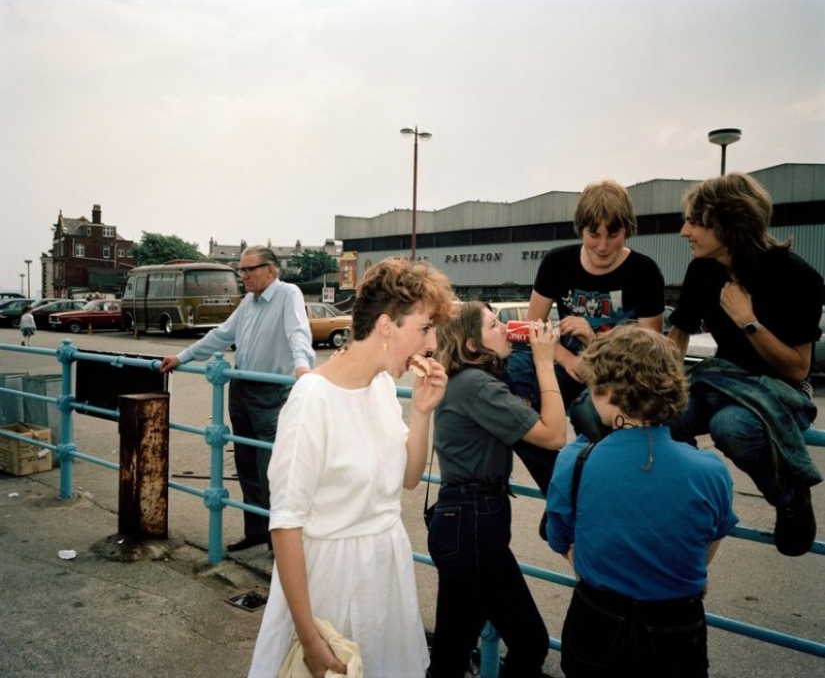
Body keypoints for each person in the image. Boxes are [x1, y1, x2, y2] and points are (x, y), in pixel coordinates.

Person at [247, 257, 454, 678]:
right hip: (331, 583)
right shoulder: (312, 400)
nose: (432, 344)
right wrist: (308, 637)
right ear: (386, 326)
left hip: (384, 574)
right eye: (425, 328)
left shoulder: (379, 386)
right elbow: (285, 523)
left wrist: (422, 412)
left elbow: (408, 479)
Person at [546, 325, 738, 677]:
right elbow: (708, 542)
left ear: (607, 391)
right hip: (677, 624)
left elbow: (560, 537)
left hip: (598, 620)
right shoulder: (711, 470)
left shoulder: (576, 460)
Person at [667, 172, 823, 557]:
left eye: (695, 222)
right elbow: (679, 334)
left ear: (728, 225)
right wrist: (657, 385)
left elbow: (798, 369)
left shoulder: (797, 276)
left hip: (780, 386)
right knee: (662, 414)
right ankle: (692, 498)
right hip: (723, 378)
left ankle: (790, 498)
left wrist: (747, 321)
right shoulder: (702, 269)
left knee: (731, 426)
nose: (684, 231)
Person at [506, 180, 665, 523]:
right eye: (594, 234)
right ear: (581, 229)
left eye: (613, 234)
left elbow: (652, 358)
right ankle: (566, 495)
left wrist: (594, 346)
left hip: (618, 377)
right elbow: (528, 330)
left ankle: (604, 502)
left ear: (628, 230)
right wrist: (564, 357)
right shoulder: (557, 262)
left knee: (591, 417)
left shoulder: (645, 271)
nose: (603, 246)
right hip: (568, 365)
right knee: (510, 407)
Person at [427, 302, 567, 678]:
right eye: (493, 324)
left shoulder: (467, 380)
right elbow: (554, 435)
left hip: (470, 520)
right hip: (472, 523)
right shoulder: (478, 387)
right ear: (473, 345)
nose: (505, 328)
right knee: (454, 654)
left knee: (524, 641)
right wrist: (543, 361)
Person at [160, 245, 314, 552]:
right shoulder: (249, 302)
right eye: (240, 270)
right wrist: (182, 357)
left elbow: (298, 332)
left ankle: (278, 542)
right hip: (241, 388)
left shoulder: (288, 294)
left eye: (249, 269)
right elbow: (222, 334)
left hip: (271, 393)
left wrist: (302, 365)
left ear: (271, 270)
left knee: (271, 466)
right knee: (245, 462)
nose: (242, 275)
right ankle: (256, 530)